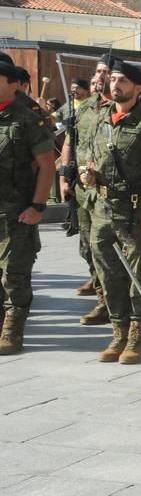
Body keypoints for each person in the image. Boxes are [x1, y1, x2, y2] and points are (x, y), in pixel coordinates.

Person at [82, 58, 141, 364]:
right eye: (113, 80)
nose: (115, 85)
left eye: (122, 80)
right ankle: (118, 333)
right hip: (102, 208)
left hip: (136, 210)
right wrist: (88, 174)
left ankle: (137, 338)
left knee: (139, 274)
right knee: (108, 275)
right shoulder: (100, 118)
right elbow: (92, 158)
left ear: (137, 87)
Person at [0, 55, 57, 354]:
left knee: (14, 272)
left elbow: (47, 166)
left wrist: (38, 206)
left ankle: (13, 327)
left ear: (12, 85)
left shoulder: (26, 118)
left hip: (16, 211)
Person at [61, 60, 110, 315]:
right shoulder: (86, 108)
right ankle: (101, 294)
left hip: (109, 191)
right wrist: (63, 175)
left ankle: (112, 301)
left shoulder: (120, 109)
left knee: (106, 247)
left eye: (106, 72)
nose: (101, 76)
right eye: (98, 71)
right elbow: (71, 141)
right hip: (82, 189)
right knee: (87, 245)